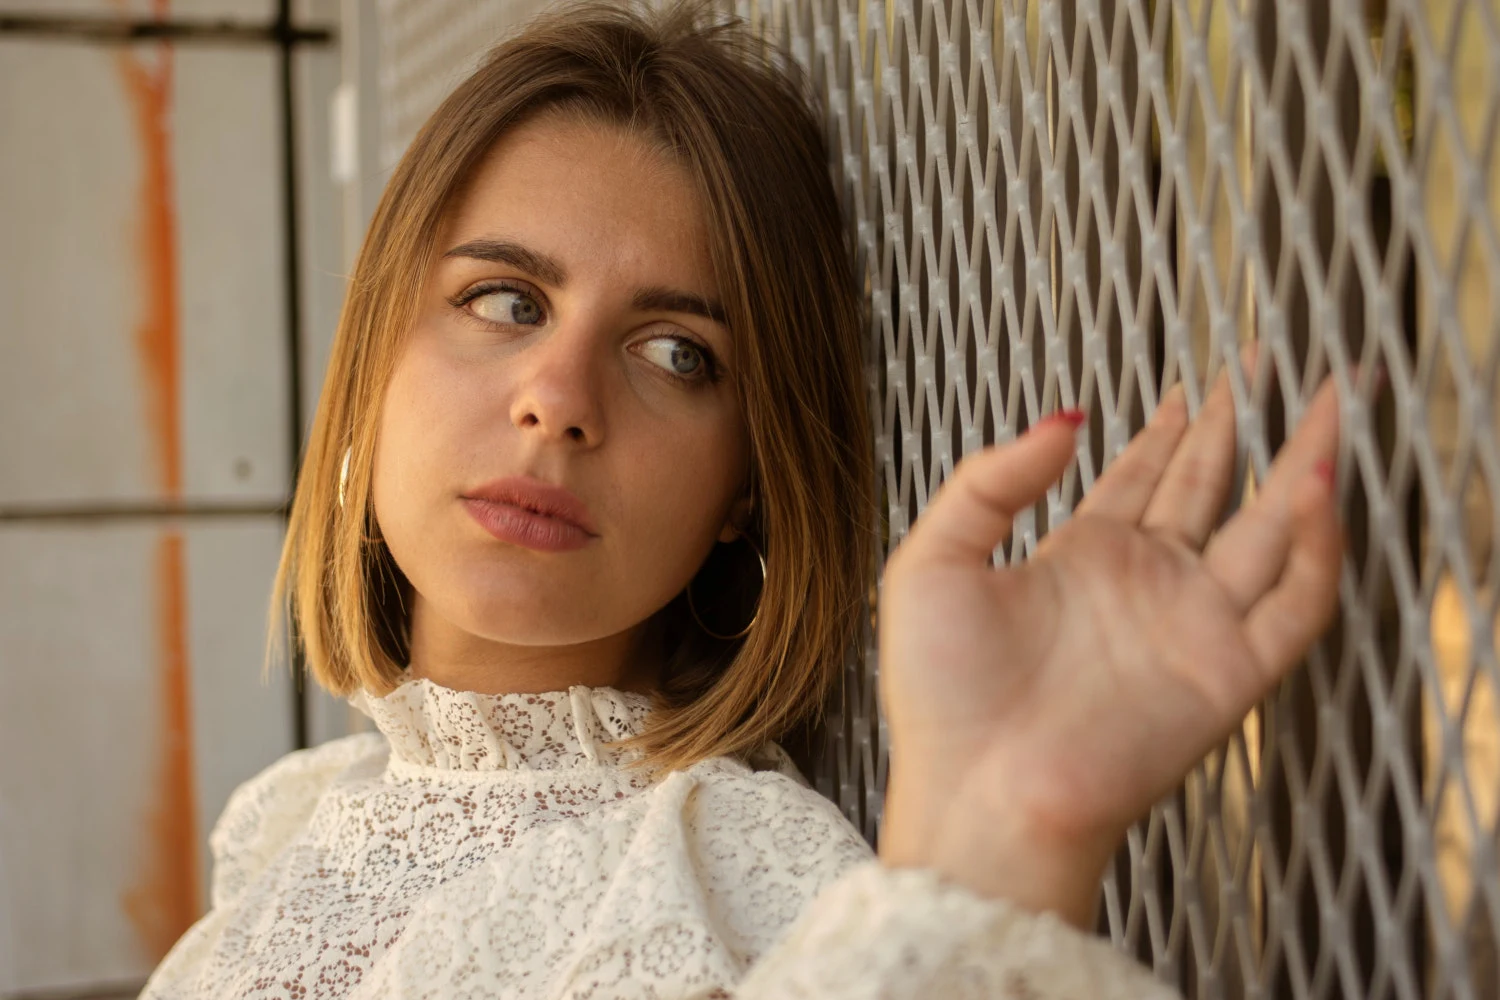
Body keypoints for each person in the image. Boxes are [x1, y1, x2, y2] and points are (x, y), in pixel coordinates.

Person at [138, 1, 1344, 996]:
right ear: (371, 366)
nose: (557, 400)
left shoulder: (728, 872)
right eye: (506, 301)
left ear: (742, 489)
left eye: (677, 353)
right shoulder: (290, 821)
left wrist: (1004, 839)